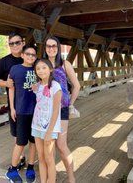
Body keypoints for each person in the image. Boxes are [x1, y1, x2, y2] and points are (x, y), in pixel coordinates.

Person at [43, 36, 81, 183]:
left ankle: (71, 177)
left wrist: (70, 103)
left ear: (58, 48)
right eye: (48, 46)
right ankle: (51, 177)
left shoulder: (65, 64)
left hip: (62, 110)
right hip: (46, 111)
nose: (51, 48)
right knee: (49, 145)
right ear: (45, 48)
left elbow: (76, 86)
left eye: (54, 46)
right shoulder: (42, 64)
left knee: (61, 145)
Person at [6, 44, 37, 183]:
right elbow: (11, 88)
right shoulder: (15, 69)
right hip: (22, 110)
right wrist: (12, 108)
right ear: (23, 55)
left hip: (37, 111)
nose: (31, 56)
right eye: (28, 54)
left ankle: (30, 167)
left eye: (33, 55)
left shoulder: (39, 69)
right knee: (20, 142)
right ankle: (12, 170)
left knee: (34, 141)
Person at [0, 33, 26, 170]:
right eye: (11, 43)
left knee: (33, 134)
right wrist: (6, 83)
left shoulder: (30, 58)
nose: (14, 46)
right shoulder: (4, 61)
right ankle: (20, 158)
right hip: (15, 104)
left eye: (17, 42)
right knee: (18, 134)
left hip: (33, 103)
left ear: (23, 42)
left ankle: (32, 162)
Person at [32, 59, 62, 183]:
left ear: (50, 69)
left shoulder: (55, 86)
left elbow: (56, 111)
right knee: (41, 158)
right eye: (38, 68)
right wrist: (35, 88)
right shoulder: (38, 86)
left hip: (50, 128)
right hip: (37, 126)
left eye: (44, 67)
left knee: (49, 159)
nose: (41, 70)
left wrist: (49, 131)